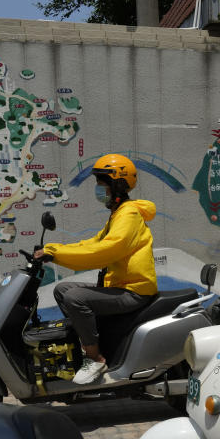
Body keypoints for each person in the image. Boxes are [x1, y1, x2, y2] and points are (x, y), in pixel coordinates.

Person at [33, 153, 158, 384]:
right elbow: (93, 243)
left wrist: (57, 255)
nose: (99, 189)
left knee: (75, 297)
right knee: (62, 290)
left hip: (135, 291)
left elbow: (105, 251)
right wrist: (53, 249)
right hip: (120, 285)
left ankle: (96, 359)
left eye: (102, 184)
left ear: (117, 185)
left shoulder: (128, 215)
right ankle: (86, 344)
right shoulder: (118, 214)